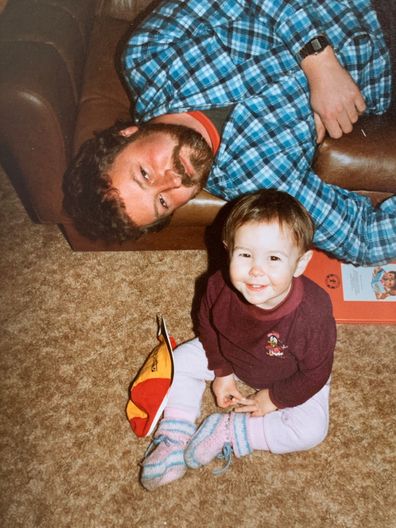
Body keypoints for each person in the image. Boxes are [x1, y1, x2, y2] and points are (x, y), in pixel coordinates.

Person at [63, 0, 395, 265]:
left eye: (145, 173)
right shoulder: (259, 182)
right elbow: (363, 239)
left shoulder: (151, 54)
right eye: (163, 202)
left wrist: (318, 61)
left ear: (128, 134)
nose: (173, 181)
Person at [139, 189, 336, 490]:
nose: (256, 270)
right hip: (231, 356)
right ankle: (174, 434)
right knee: (176, 362)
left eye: (273, 258)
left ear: (299, 263)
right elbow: (206, 324)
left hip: (289, 376)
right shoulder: (218, 285)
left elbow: (316, 372)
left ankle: (231, 430)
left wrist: (273, 398)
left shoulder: (313, 313)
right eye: (245, 255)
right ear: (228, 250)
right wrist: (222, 371)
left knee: (312, 429)